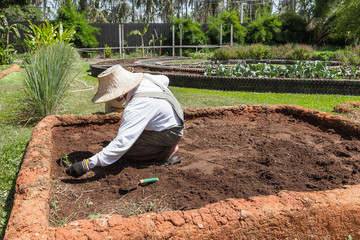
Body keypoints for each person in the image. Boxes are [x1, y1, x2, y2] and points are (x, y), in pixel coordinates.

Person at [66, 64, 184, 178]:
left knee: (127, 150)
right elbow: (165, 79)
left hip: (170, 132)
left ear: (118, 95)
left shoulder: (136, 107)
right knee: (123, 141)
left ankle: (166, 151)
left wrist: (87, 164)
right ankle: (160, 142)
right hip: (173, 119)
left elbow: (123, 142)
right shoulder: (146, 78)